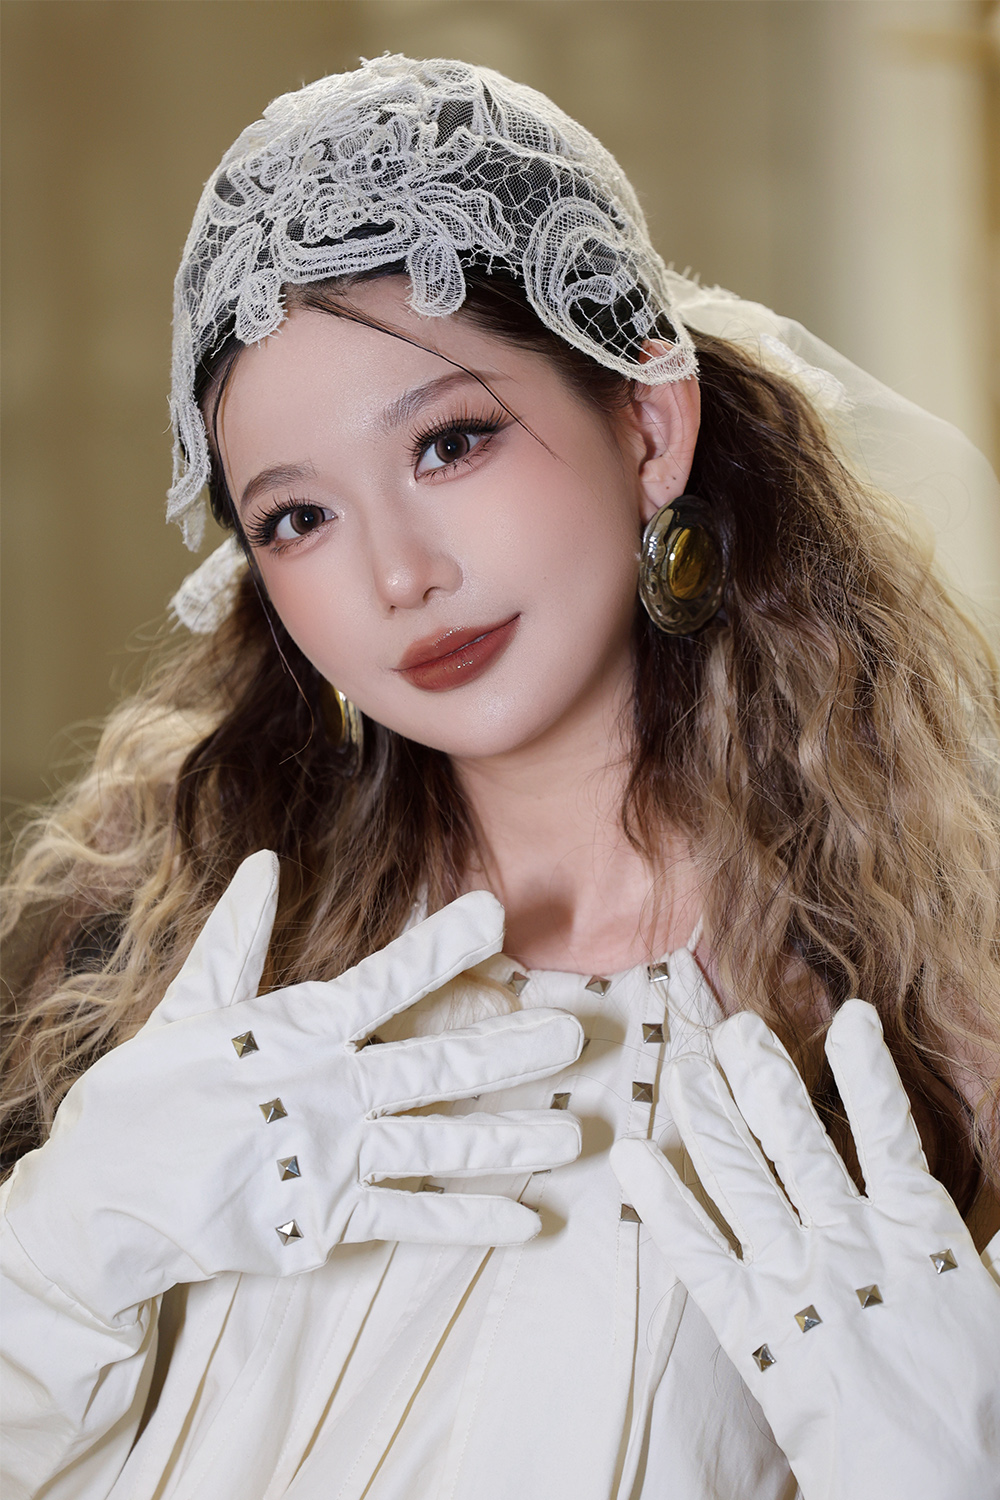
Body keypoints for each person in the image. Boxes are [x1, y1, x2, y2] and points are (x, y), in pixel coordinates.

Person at [2, 54, 999, 1500]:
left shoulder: (939, 1021)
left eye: (450, 442)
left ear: (648, 426)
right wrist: (53, 1266)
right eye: (296, 519)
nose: (396, 575)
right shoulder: (182, 975)